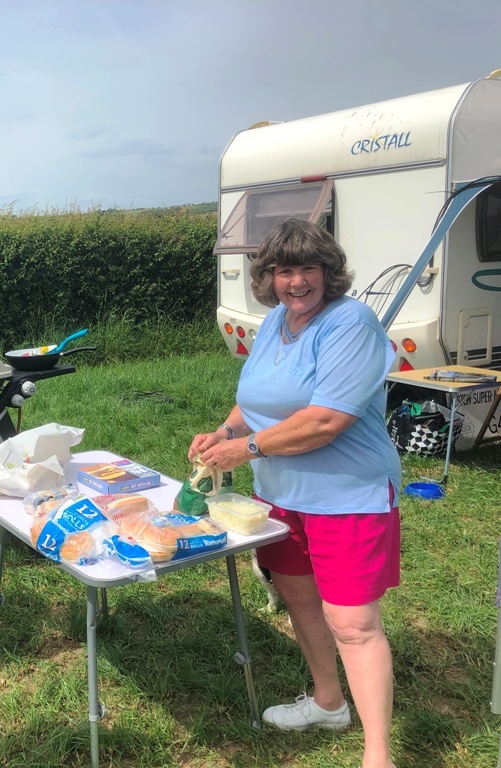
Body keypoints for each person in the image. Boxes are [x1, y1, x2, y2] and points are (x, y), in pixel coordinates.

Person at [189, 218, 401, 768]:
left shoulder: (350, 321)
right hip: (281, 498)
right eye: (285, 271)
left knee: (353, 624)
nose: (297, 282)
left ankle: (377, 756)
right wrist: (226, 433)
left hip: (346, 497)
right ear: (269, 278)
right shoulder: (274, 324)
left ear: (329, 273)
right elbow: (256, 400)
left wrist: (249, 448)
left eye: (309, 268)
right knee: (303, 603)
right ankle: (328, 702)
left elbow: (326, 420)